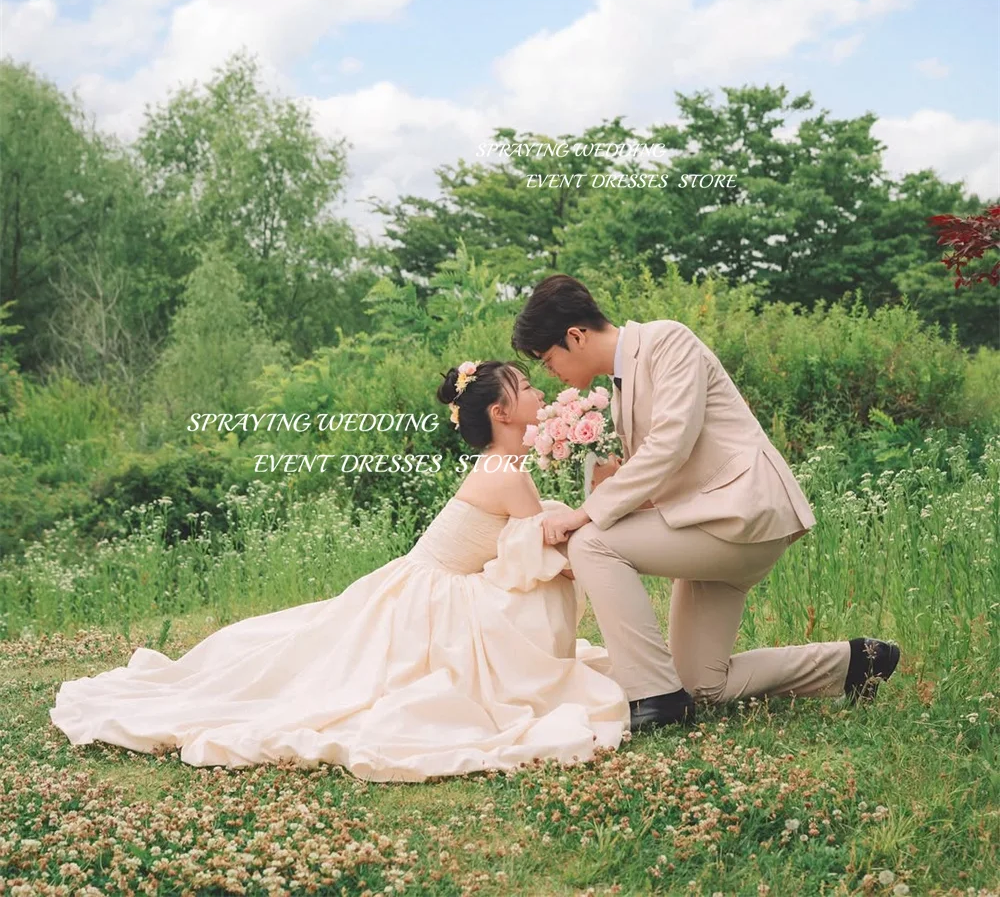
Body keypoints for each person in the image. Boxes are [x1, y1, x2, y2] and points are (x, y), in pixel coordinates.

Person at [49, 359, 629, 782]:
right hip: (429, 595)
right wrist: (595, 508)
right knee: (351, 681)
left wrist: (581, 511)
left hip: (424, 581)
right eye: (526, 387)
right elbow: (533, 551)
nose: (537, 391)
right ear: (502, 412)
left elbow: (530, 537)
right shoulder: (506, 470)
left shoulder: (507, 462)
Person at [511, 274, 900, 736]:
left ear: (575, 335)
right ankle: (857, 662)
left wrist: (584, 514)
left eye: (547, 358)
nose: (548, 371)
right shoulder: (619, 390)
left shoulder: (666, 341)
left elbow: (672, 442)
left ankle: (653, 695)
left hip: (741, 515)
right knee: (702, 684)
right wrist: (607, 489)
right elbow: (659, 475)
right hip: (706, 526)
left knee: (592, 541)